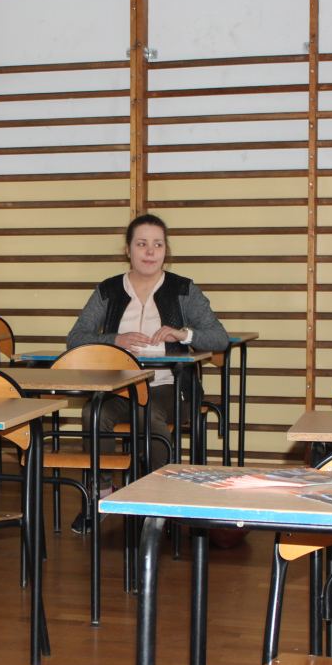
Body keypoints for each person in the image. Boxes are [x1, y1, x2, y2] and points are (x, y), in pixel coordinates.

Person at [66, 213, 228, 527]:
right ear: (128, 250)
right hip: (120, 386)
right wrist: (114, 340)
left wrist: (184, 334)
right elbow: (75, 338)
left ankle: (157, 502)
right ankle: (102, 493)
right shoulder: (108, 290)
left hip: (170, 387)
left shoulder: (184, 290)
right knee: (93, 413)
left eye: (157, 244)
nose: (150, 252)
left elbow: (219, 338)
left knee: (148, 414)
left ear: (166, 250)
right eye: (142, 244)